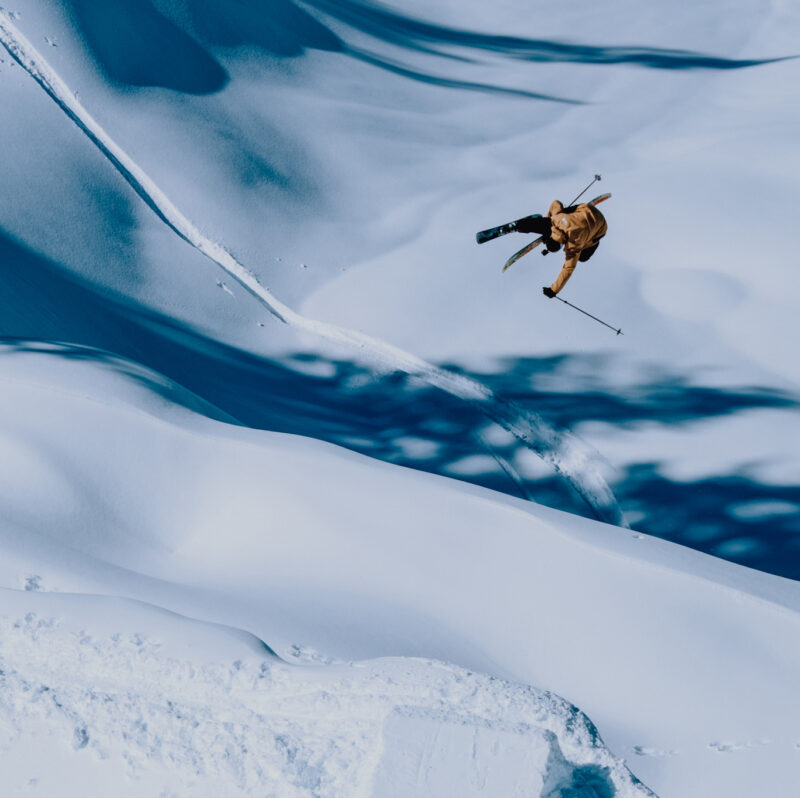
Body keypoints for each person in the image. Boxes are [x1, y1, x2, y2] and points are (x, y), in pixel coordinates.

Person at [515, 200, 607, 297]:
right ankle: (523, 225)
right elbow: (556, 203)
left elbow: (568, 269)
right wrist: (546, 219)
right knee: (546, 223)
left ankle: (522, 225)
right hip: (587, 208)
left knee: (582, 257)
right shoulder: (556, 219)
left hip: (601, 226)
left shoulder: (574, 245)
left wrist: (554, 290)